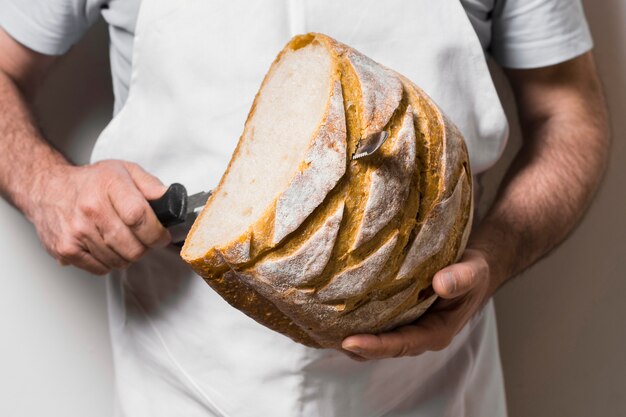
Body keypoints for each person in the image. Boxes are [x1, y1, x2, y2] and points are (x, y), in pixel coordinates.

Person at [0, 0, 609, 416]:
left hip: (434, 391)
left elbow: (569, 112)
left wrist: (495, 257)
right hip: (188, 387)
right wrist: (47, 186)